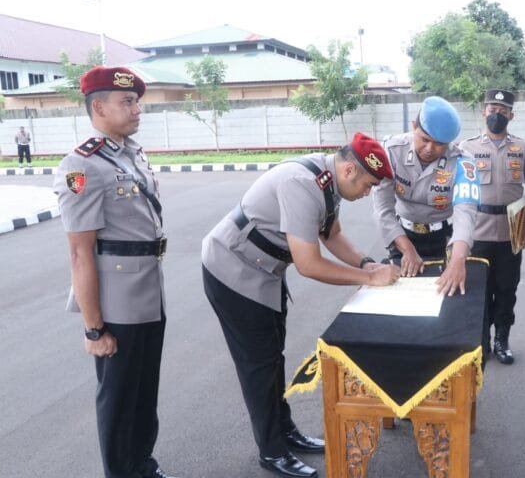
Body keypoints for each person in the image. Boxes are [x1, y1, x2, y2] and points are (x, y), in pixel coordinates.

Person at [202, 132, 400, 478]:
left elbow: (332, 235)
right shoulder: (302, 184)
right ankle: (272, 451)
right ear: (351, 171)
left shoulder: (329, 180)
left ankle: (286, 431)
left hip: (265, 271)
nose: (368, 192)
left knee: (271, 357)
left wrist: (367, 264)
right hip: (233, 270)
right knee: (258, 365)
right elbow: (309, 265)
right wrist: (369, 280)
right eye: (368, 185)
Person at [53, 66, 177, 478]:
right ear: (99, 107)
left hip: (148, 291)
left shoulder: (131, 152)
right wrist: (93, 330)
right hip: (117, 303)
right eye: (127, 101)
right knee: (120, 399)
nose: (136, 108)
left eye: (137, 100)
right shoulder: (82, 165)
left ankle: (143, 465)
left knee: (144, 395)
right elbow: (79, 253)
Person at [458, 89, 525, 365]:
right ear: (484, 111)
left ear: (511, 115)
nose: (497, 114)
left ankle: (502, 340)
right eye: (492, 108)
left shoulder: (523, 148)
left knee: (507, 289)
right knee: (478, 291)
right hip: (477, 232)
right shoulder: (467, 148)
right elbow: (456, 191)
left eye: (503, 110)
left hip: (511, 232)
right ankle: (480, 342)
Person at [372, 96, 479, 297]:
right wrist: (407, 250)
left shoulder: (464, 163)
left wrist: (458, 262)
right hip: (403, 234)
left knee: (446, 297)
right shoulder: (391, 152)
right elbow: (383, 209)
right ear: (414, 126)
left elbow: (466, 213)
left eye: (439, 144)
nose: (430, 149)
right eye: (425, 139)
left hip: (445, 238)